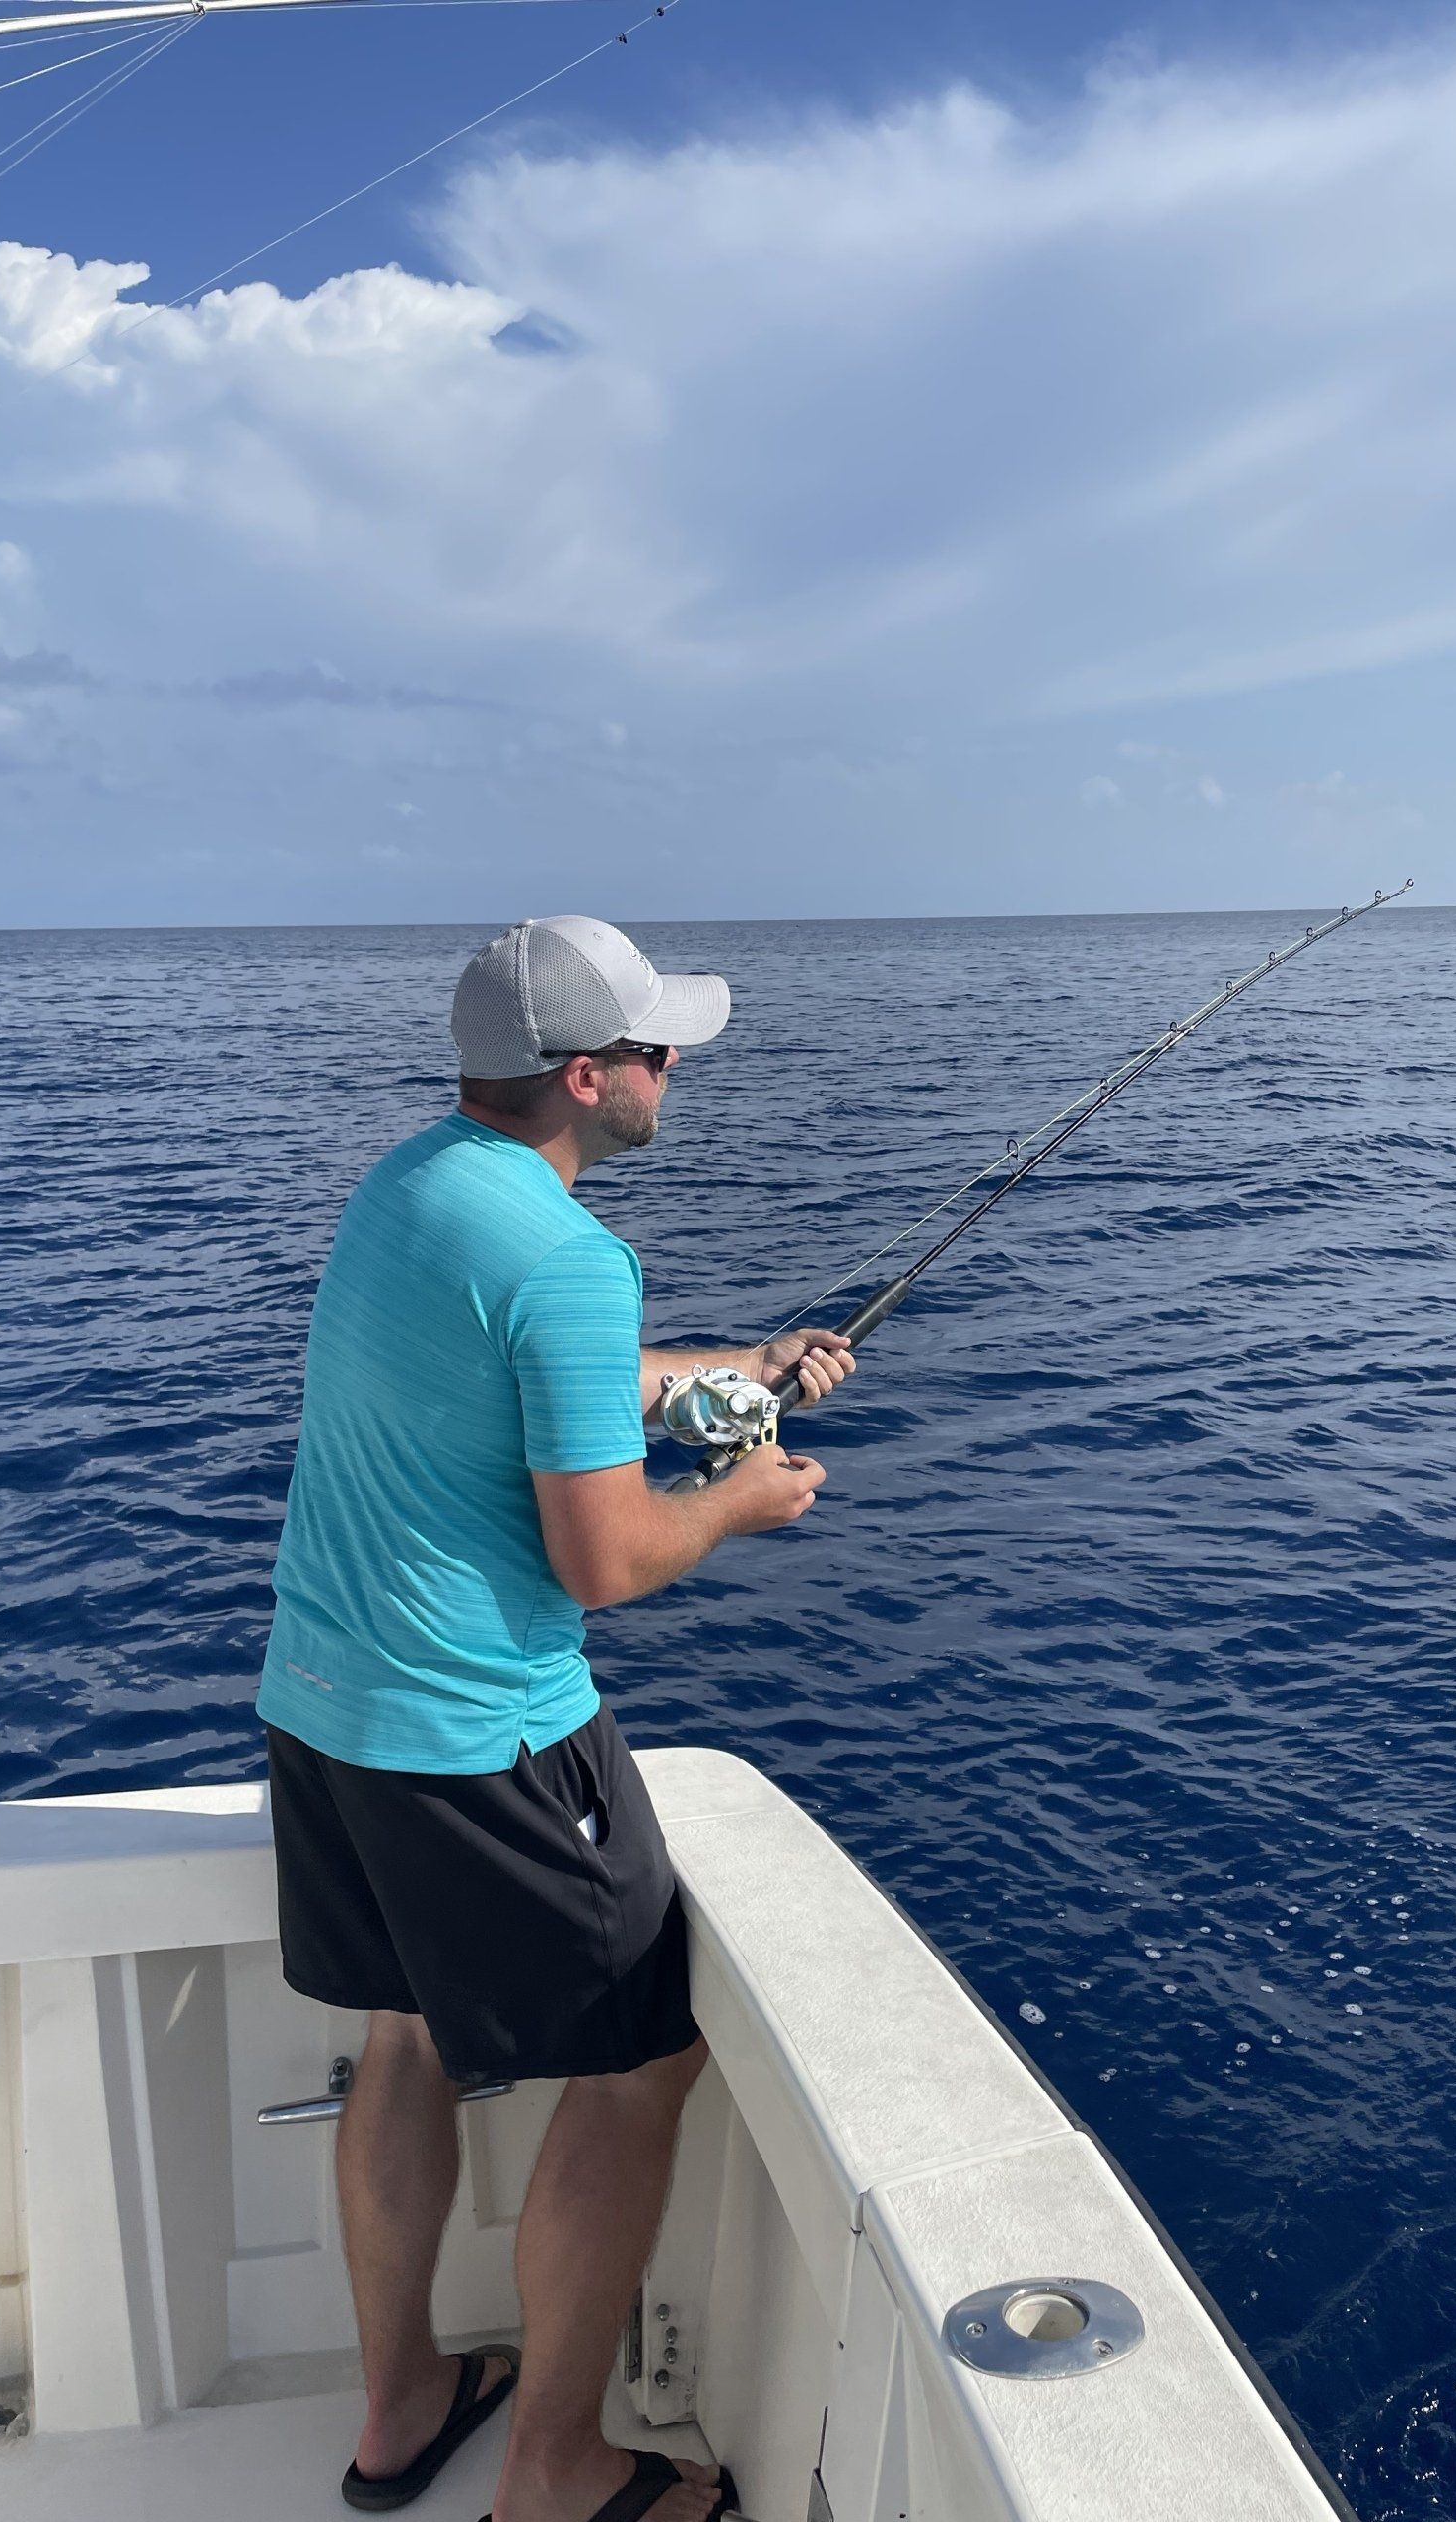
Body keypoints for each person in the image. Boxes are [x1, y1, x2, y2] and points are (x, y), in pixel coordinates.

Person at [256, 916, 855, 2522]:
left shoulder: (410, 1188)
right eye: (658, 1052)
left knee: (403, 2038)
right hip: (484, 1741)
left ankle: (402, 2417)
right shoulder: (571, 1254)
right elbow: (601, 1557)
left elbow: (537, 1375)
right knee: (640, 2063)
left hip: (322, 1711)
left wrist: (744, 1375)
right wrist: (739, 1500)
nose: (677, 1071)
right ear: (588, 1079)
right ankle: (556, 2471)